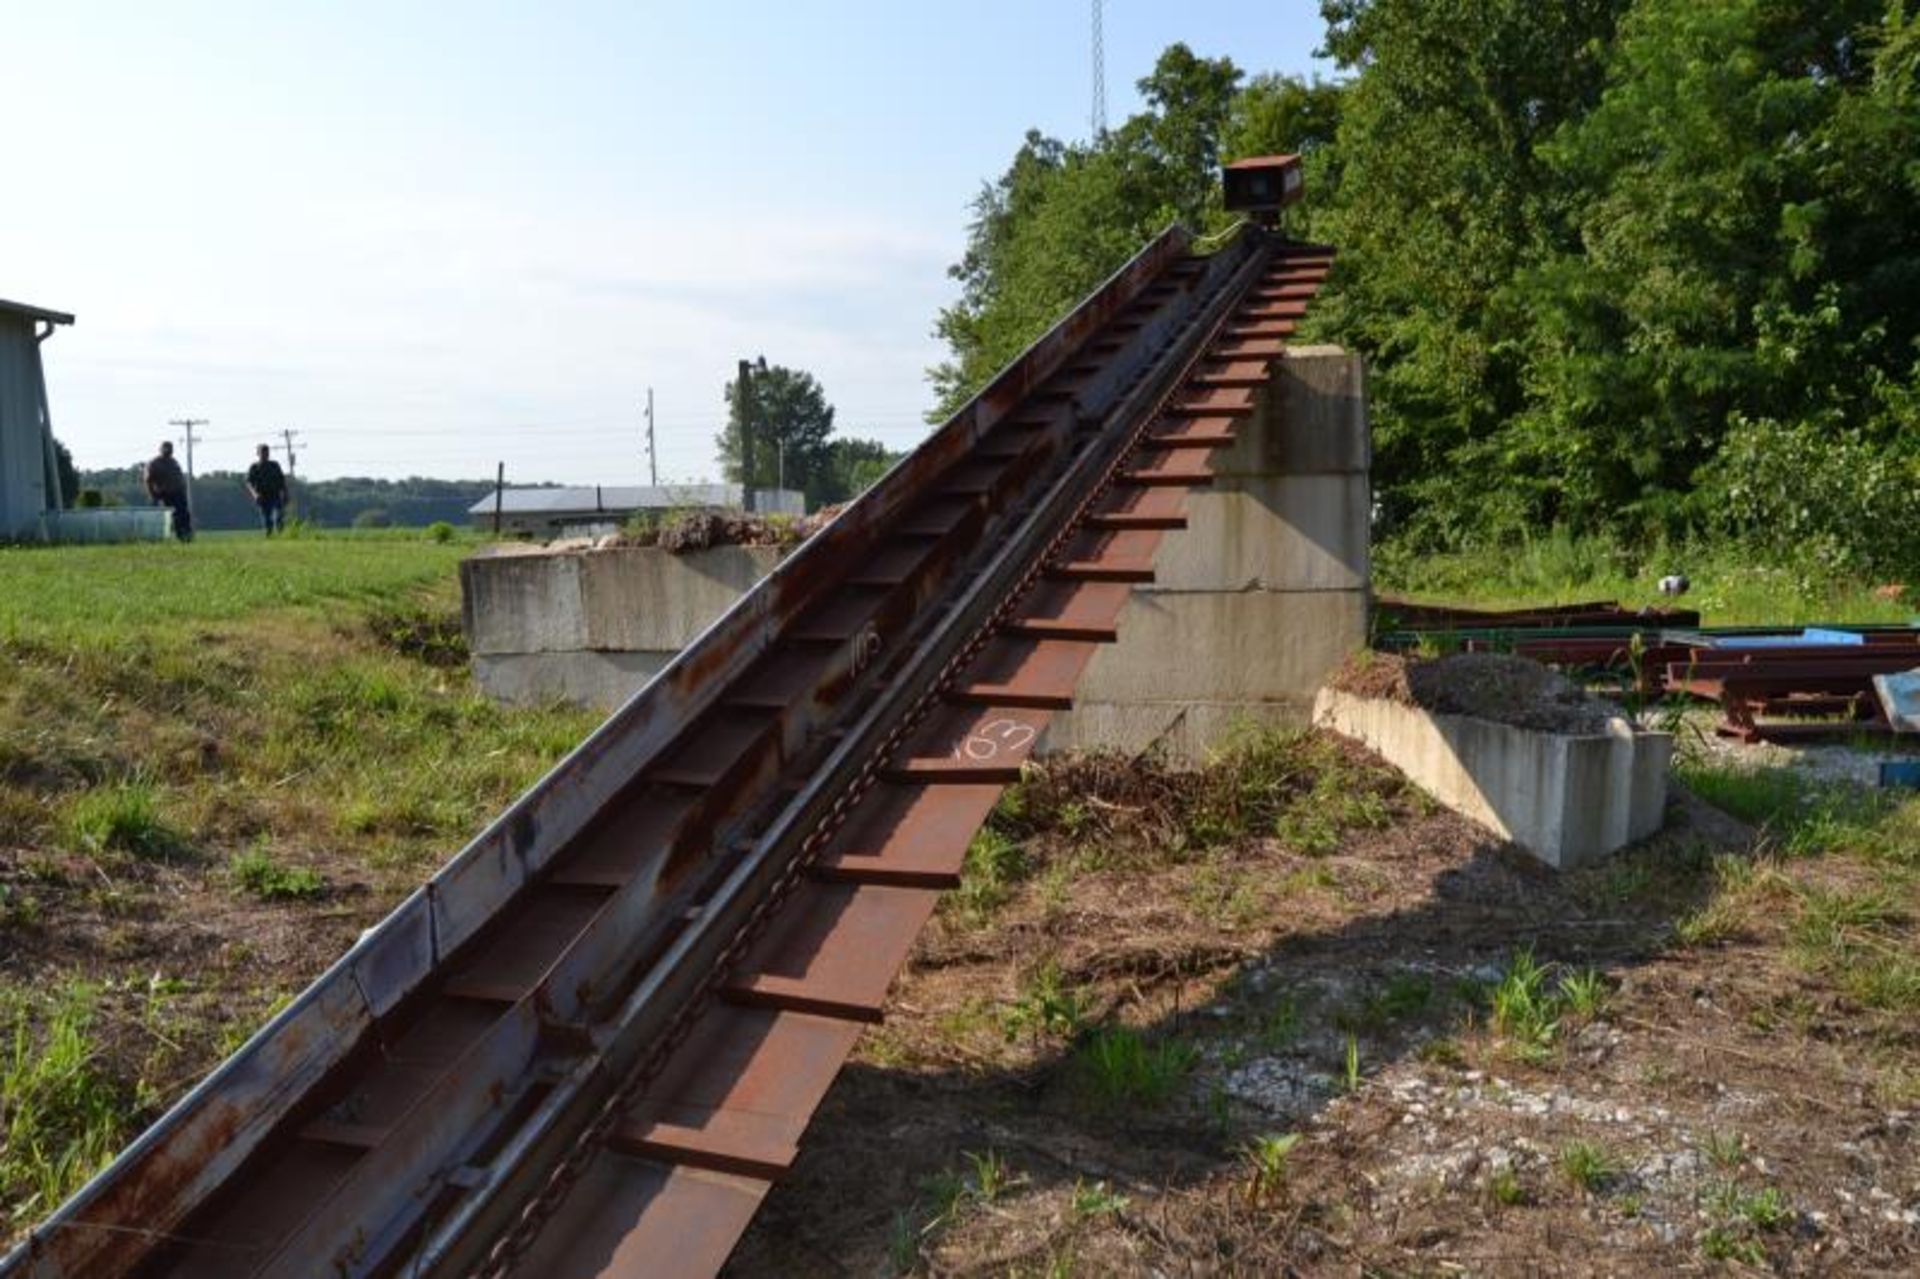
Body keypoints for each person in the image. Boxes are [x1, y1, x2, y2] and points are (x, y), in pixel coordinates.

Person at [144, 441, 192, 541]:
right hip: (165, 493)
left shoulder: (173, 461)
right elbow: (148, 480)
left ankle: (186, 535)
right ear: (161, 449)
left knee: (184, 514)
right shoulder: (154, 463)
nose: (169, 451)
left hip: (178, 492)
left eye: (170, 449)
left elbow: (179, 476)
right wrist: (153, 495)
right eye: (166, 448)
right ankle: (179, 536)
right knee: (175, 516)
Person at [246, 444, 289, 536]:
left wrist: (285, 493)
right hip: (262, 496)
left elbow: (282, 480)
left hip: (275, 495)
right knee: (267, 520)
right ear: (258, 453)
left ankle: (281, 536)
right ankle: (269, 537)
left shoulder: (275, 465)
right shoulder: (254, 467)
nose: (266, 454)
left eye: (267, 452)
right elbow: (249, 483)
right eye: (263, 452)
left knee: (279, 516)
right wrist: (255, 495)